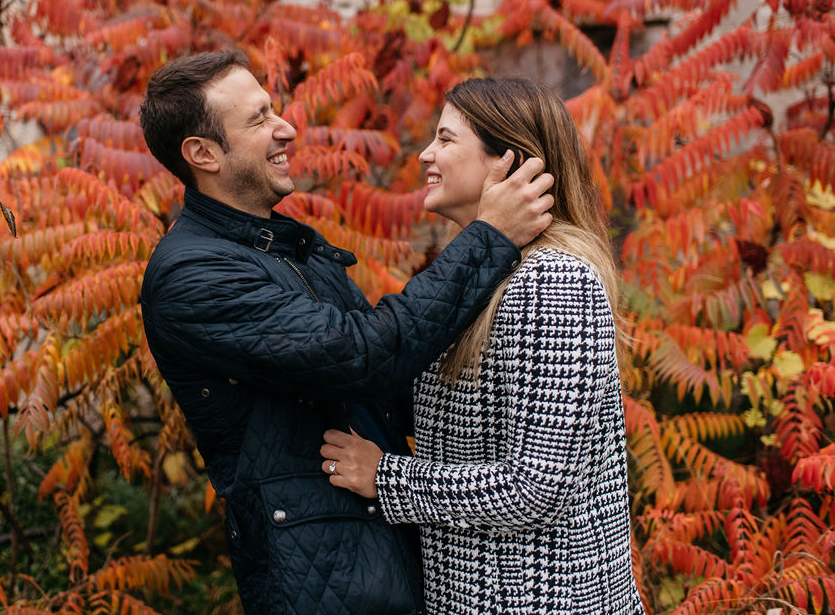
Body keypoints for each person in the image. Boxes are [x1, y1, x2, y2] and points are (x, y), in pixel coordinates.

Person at [138, 51, 554, 614]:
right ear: (203, 154)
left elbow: (394, 388)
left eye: (274, 110)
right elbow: (367, 357)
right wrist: (490, 236)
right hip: (328, 584)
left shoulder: (285, 247)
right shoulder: (195, 276)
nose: (286, 128)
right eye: (259, 119)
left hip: (384, 553)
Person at [320, 76, 645, 613]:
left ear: (508, 163)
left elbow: (535, 488)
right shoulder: (483, 277)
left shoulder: (556, 281)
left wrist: (386, 478)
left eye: (446, 140)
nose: (426, 153)